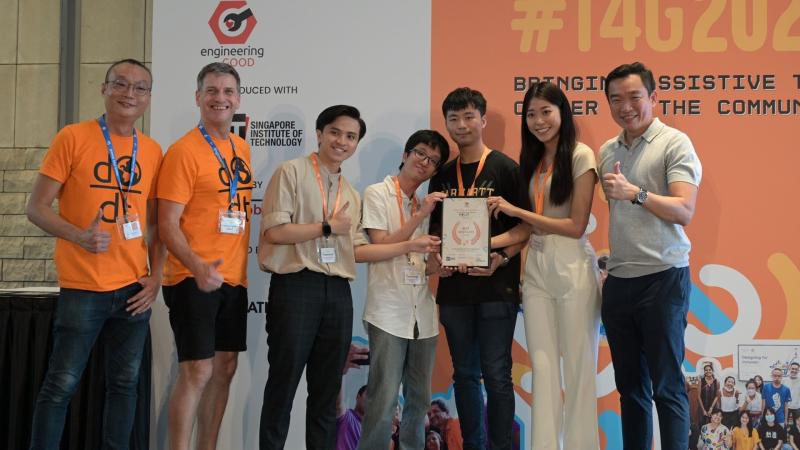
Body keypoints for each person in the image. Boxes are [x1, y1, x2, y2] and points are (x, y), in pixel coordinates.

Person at [26, 59, 164, 450]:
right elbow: (36, 208)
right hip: (83, 287)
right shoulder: (73, 137)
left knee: (125, 385)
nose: (129, 94)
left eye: (140, 88)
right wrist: (79, 237)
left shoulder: (152, 150)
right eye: (120, 84)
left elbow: (155, 224)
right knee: (61, 384)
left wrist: (156, 277)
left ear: (148, 98)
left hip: (134, 290)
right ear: (104, 89)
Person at [486, 81, 601, 449]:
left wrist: (516, 210)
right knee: (543, 367)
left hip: (573, 266)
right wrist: (491, 249)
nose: (539, 121)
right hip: (535, 267)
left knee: (579, 368)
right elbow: (526, 228)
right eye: (531, 114)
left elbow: (575, 225)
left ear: (562, 112)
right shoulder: (531, 162)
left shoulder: (581, 155)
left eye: (546, 112)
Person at [598, 61, 702, 450]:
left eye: (634, 97)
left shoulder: (675, 143)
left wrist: (636, 193)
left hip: (663, 278)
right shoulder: (607, 151)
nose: (625, 107)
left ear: (653, 97)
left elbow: (684, 210)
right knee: (630, 390)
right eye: (616, 99)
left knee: (667, 387)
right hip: (619, 282)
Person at [258, 105, 368, 450]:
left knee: (326, 391)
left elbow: (358, 248)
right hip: (296, 286)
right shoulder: (291, 172)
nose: (342, 141)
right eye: (335, 132)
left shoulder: (351, 193)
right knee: (283, 385)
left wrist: (412, 243)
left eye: (351, 137)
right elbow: (275, 231)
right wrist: (326, 227)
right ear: (320, 134)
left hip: (337, 293)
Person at [157, 62, 253, 450]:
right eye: (211, 91)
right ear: (198, 97)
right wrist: (197, 266)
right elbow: (167, 224)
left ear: (238, 99)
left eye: (228, 91)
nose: (220, 98)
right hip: (191, 276)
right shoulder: (183, 151)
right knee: (197, 370)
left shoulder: (241, 148)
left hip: (233, 277)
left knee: (224, 368)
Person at [426, 87, 523, 450]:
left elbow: (525, 227)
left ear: (482, 120)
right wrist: (438, 258)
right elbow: (436, 230)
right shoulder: (443, 175)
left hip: (497, 288)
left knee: (497, 376)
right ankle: (472, 444)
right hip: (455, 291)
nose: (462, 125)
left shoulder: (506, 168)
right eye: (454, 119)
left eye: (469, 117)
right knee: (465, 375)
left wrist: (502, 256)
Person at [355, 130, 450, 450]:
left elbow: (422, 263)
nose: (425, 162)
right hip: (388, 311)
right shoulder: (377, 193)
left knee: (419, 401)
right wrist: (419, 219)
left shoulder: (424, 203)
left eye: (433, 160)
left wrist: (441, 265)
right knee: (382, 400)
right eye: (420, 153)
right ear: (405, 155)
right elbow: (381, 244)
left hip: (423, 313)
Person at [336, 385, 367, 450]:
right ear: (358, 397)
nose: (370, 400)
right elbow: (339, 404)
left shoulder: (372, 431)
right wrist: (337, 378)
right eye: (368, 395)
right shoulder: (347, 416)